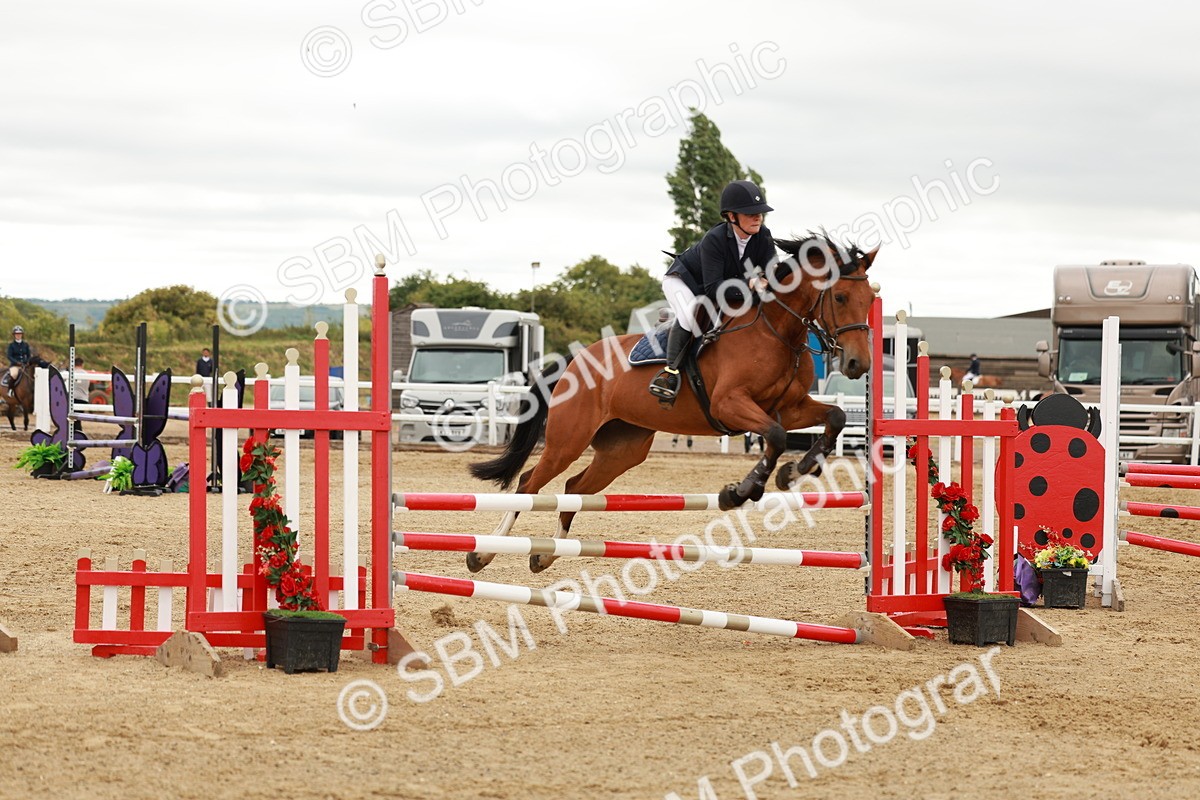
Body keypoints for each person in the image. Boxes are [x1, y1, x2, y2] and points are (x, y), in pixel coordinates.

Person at [649, 179, 777, 406]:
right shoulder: (715, 240)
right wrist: (749, 284)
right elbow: (713, 289)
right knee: (691, 313)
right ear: (731, 216)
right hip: (684, 282)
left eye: (760, 212)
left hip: (721, 286)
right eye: (750, 213)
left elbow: (771, 276)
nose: (758, 217)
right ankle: (670, 375)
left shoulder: (763, 236)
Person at [72, 356, 89, 435]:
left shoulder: (71, 373)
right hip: (83, 399)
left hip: (72, 398)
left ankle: (75, 434)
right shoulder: (86, 374)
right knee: (78, 420)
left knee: (72, 419)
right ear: (82, 364)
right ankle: (79, 434)